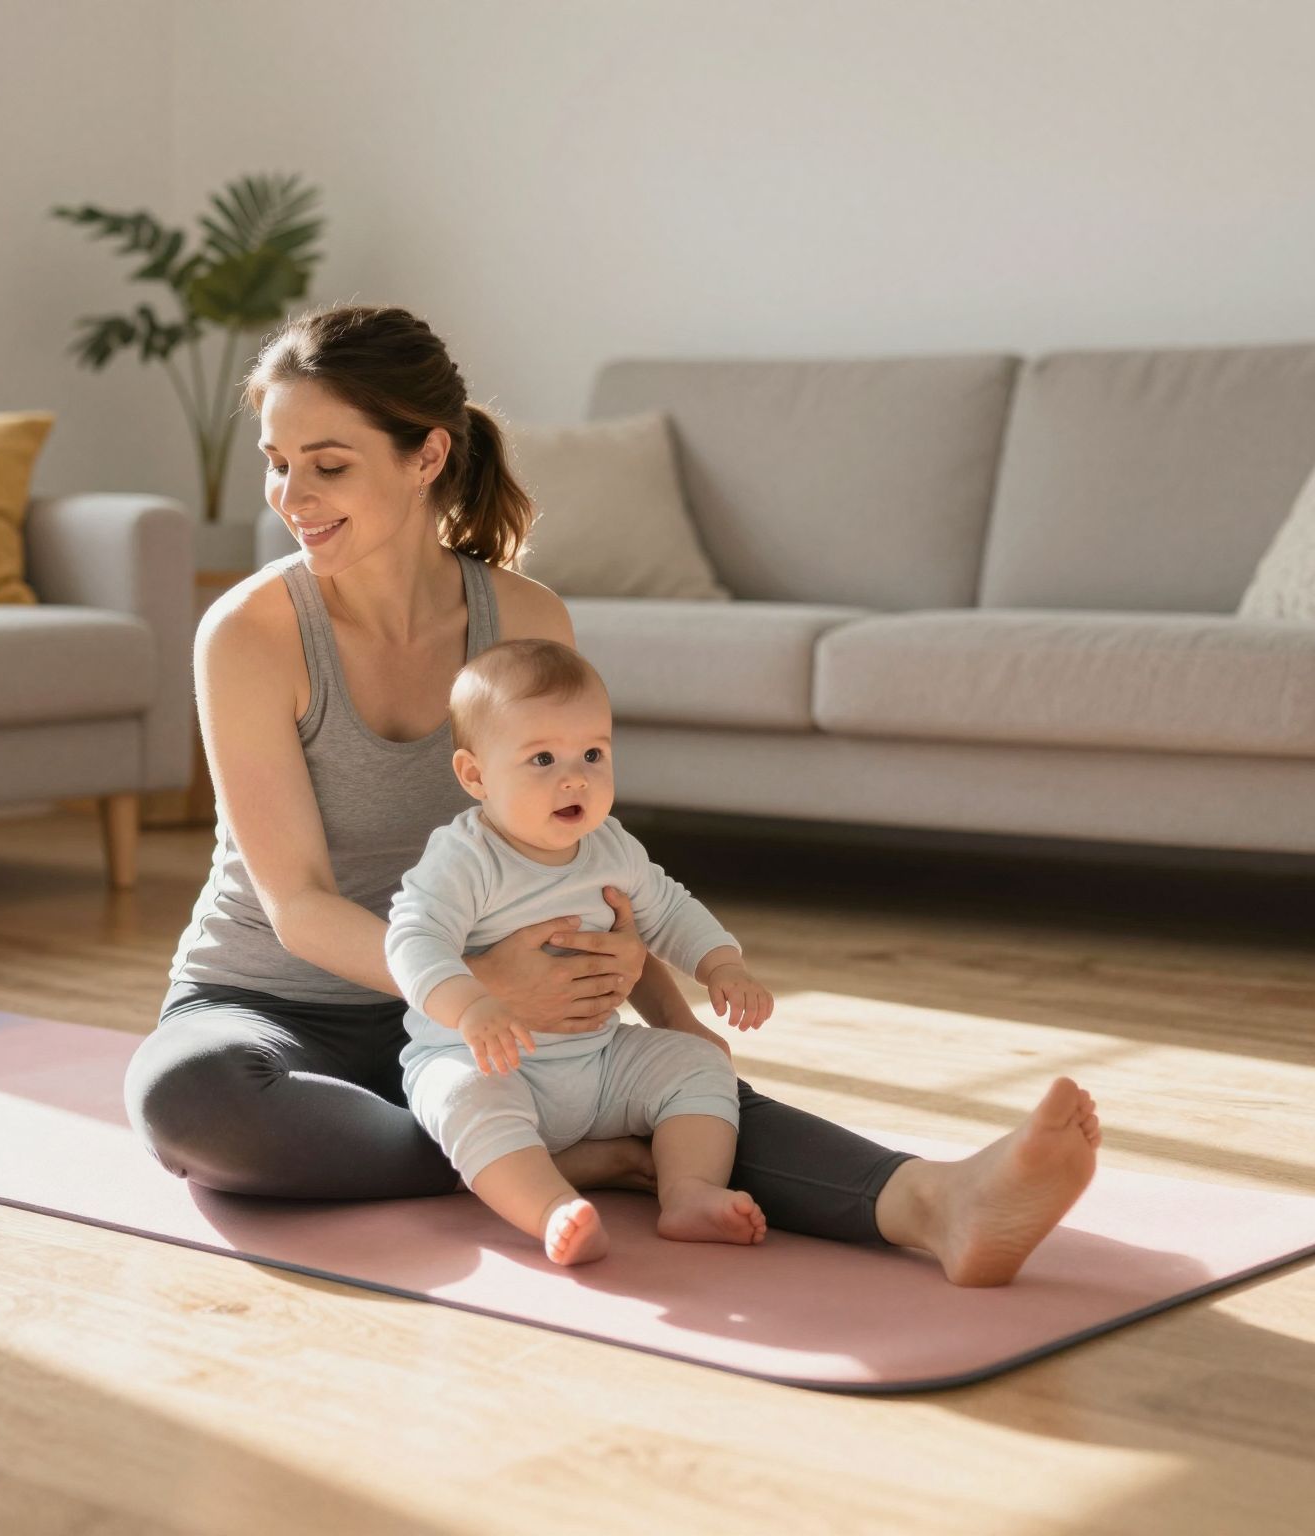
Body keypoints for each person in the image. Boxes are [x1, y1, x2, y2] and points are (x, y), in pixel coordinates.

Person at [123, 302, 1101, 1286]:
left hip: (500, 1012)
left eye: (327, 465)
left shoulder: (522, 619)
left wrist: (669, 1020)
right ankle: (570, 1158)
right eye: (276, 462)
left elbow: (581, 846)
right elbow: (296, 904)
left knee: (676, 1088)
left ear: (426, 456)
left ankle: (935, 1203)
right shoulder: (250, 634)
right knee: (189, 1101)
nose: (290, 496)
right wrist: (478, 991)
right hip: (281, 1009)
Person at [387, 637, 771, 1266]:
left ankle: (689, 1193)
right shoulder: (465, 858)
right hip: (486, 1059)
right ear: (475, 775)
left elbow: (669, 910)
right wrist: (470, 1006)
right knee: (459, 1097)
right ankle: (552, 1211)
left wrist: (721, 964)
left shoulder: (612, 847)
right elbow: (411, 938)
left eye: (593, 754)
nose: (575, 777)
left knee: (698, 1063)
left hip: (597, 1060)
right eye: (542, 758)